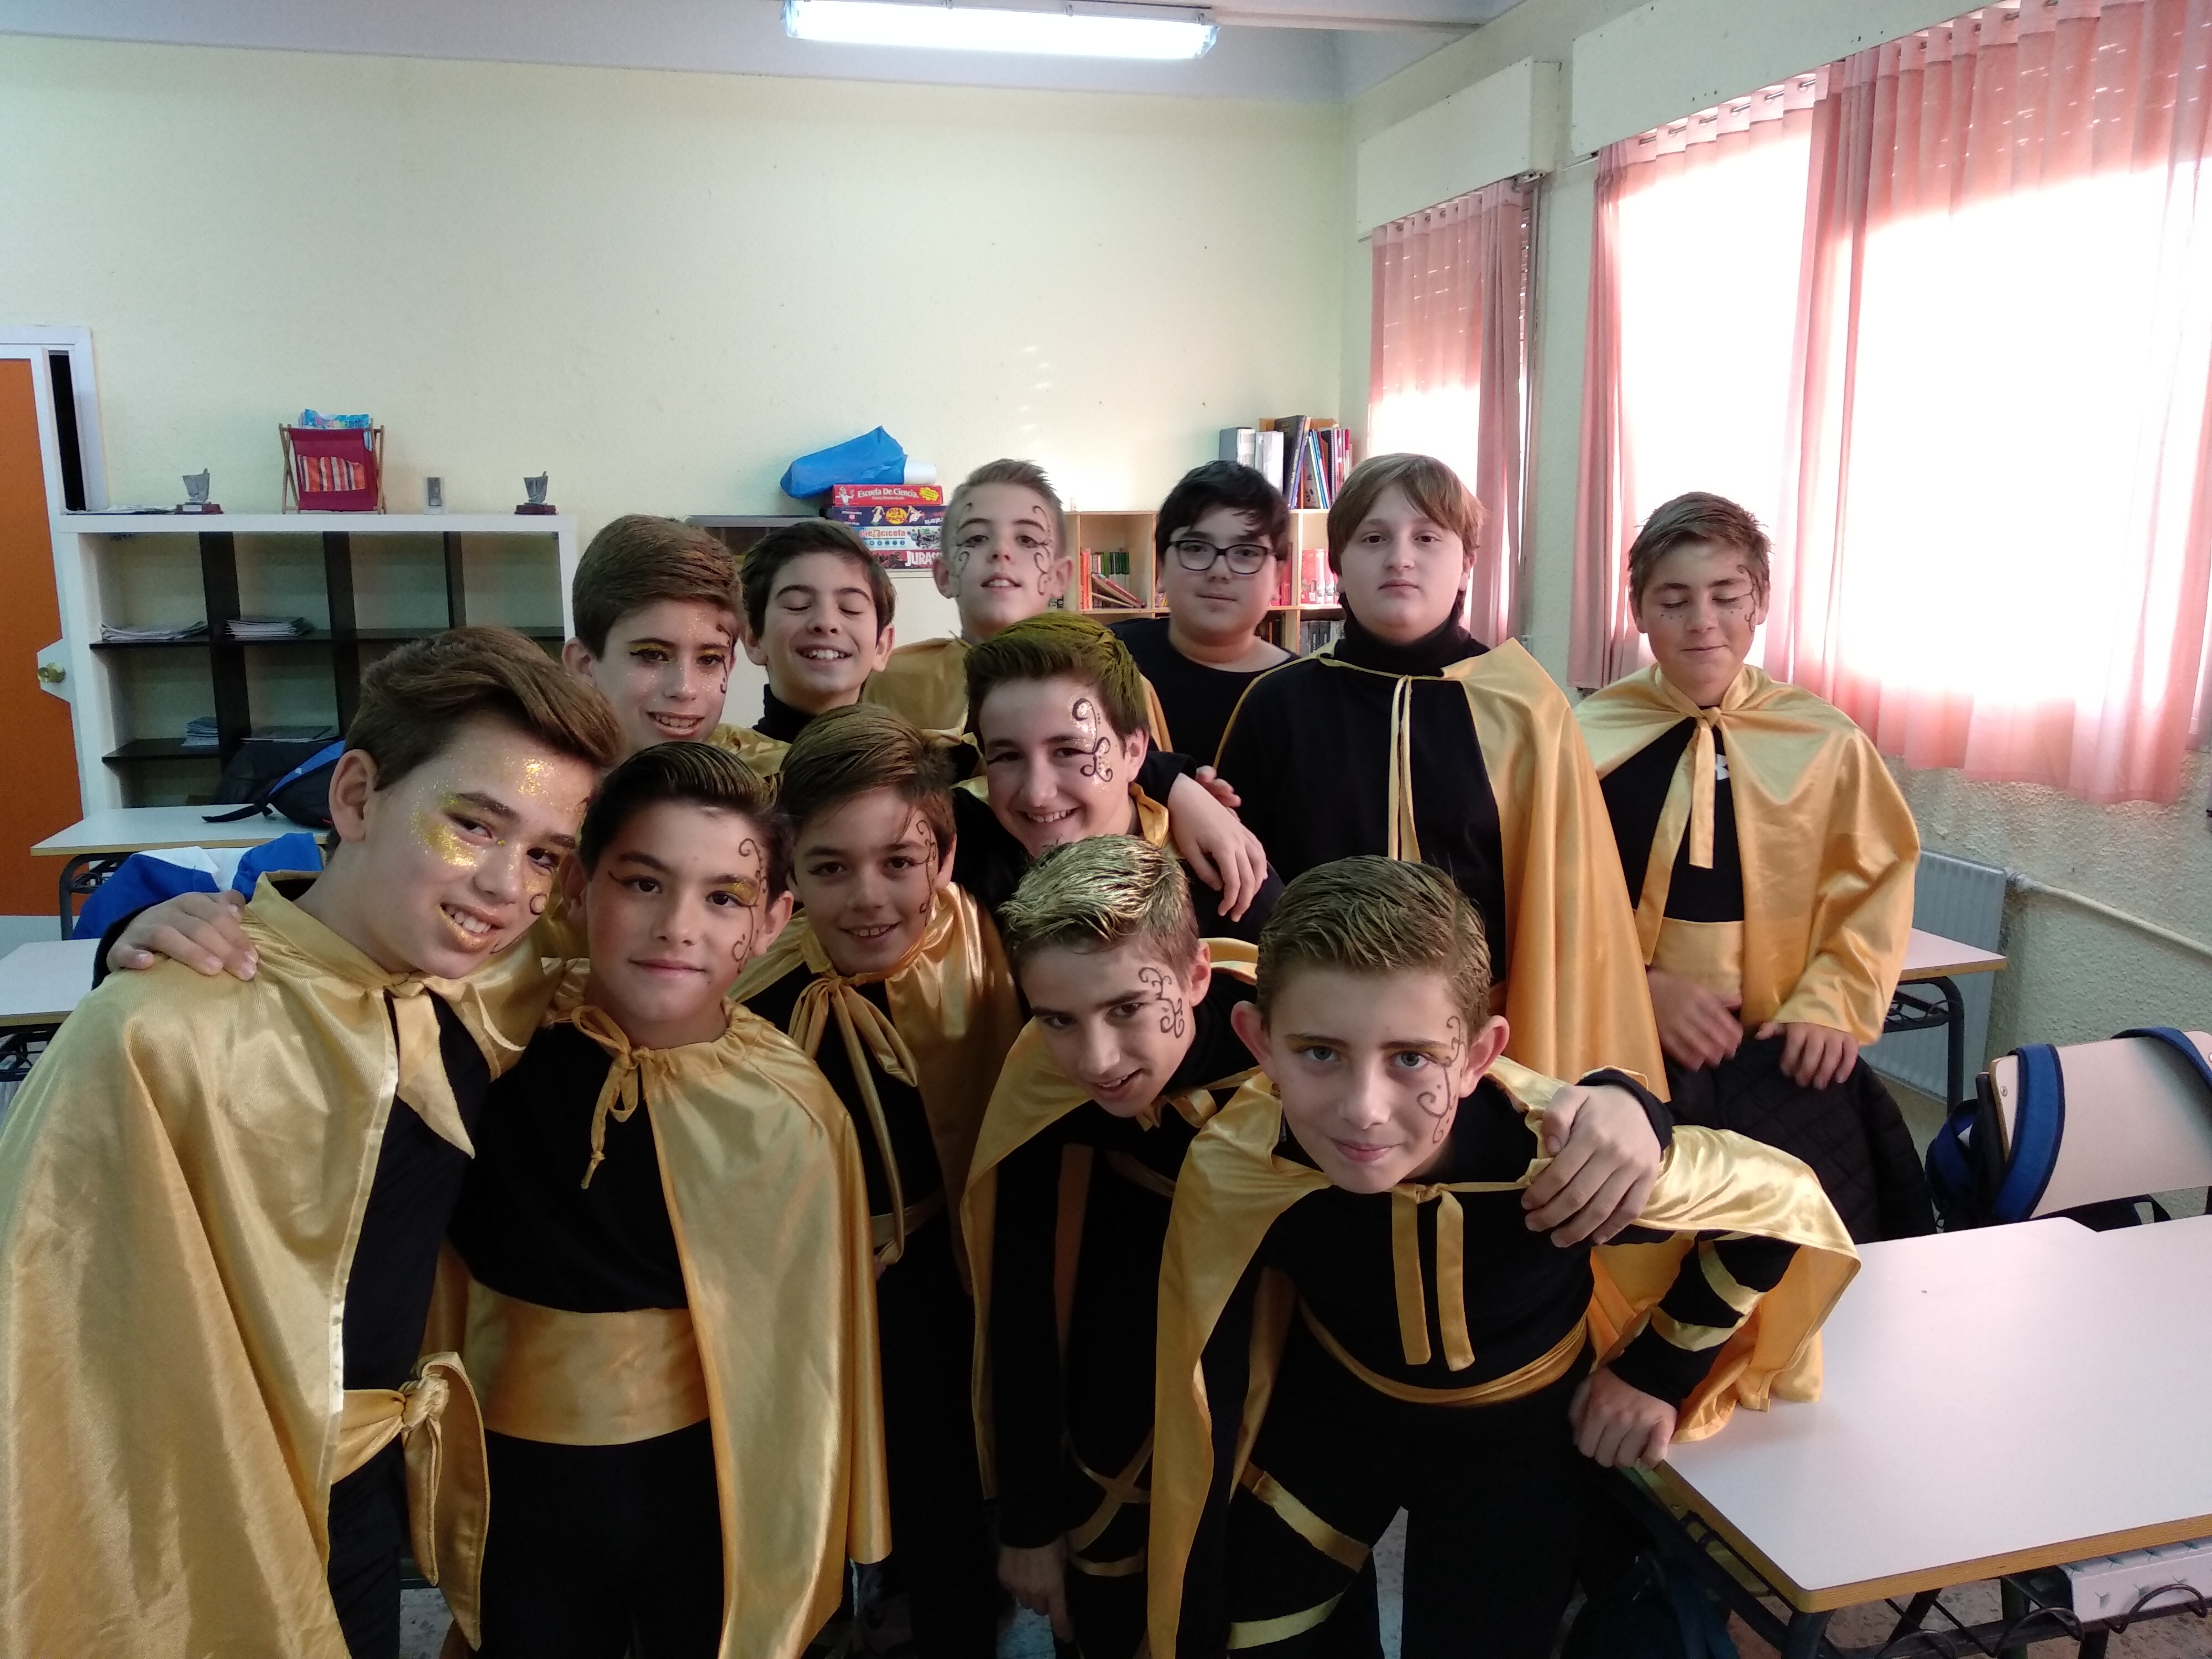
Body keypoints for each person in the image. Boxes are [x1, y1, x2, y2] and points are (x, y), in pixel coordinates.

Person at [0, 628, 624, 1659]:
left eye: (545, 855)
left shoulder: (484, 991)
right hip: (205, 1509)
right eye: (473, 824)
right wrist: (126, 946)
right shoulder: (163, 1032)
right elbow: (48, 1347)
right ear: (357, 797)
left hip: (366, 1497)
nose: (507, 887)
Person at [964, 836, 1671, 1659]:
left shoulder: (1315, 1057)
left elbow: (1485, 1081)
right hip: (1160, 1390)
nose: (1096, 1057)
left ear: (1201, 982)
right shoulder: (1073, 1085)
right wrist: (1031, 1518)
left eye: (1127, 1009)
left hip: (1355, 1413)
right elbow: (1021, 1295)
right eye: (1058, 1020)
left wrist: (1631, 1105)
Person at [1147, 858, 1860, 1659]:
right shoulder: (1244, 1161)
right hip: (1334, 1422)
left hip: (1520, 1449)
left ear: (1479, 1054)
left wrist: (1656, 1372)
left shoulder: (1556, 1156)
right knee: (1253, 1633)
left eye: (1411, 1058)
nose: (1363, 1109)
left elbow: (1777, 1207)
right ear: (1260, 1042)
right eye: (1319, 1053)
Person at [442, 742, 886, 1659]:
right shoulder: (482, 1043)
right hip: (517, 1482)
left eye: (724, 898)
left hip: (709, 1488)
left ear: (773, 922)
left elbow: (810, 1355)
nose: (678, 927)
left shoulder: (789, 1109)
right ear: (577, 888)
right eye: (644, 883)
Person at [1214, 452, 1662, 1084]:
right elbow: (1237, 890)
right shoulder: (1275, 706)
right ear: (1337, 564)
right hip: (1314, 1041)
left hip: (1482, 1047)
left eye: (1426, 538)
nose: (1400, 558)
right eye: (1373, 538)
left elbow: (1568, 911)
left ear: (1466, 564)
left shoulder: (1525, 706)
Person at [735, 705, 1026, 1659]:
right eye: (829, 869)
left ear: (945, 857)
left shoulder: (990, 949)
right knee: (803, 1495)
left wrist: (1184, 783)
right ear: (787, 870)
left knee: (942, 1490)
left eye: (900, 862)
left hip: (940, 1279)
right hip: (797, 1299)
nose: (869, 899)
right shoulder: (752, 993)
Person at [1575, 492, 1930, 1241]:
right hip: (1625, 1039)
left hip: (1779, 1045)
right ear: (1638, 611)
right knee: (1642, 1238)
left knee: (1802, 1231)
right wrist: (1639, 989)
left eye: (1726, 596)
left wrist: (1831, 1000)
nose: (1701, 621)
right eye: (1674, 600)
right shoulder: (1583, 740)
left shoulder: (1824, 743)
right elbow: (1551, 893)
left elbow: (1874, 881)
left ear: (1759, 602)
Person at [962, 613, 1281, 938]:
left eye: (1068, 752)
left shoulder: (1227, 882)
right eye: (1008, 757)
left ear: (1134, 752)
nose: (1037, 794)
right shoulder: (960, 843)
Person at [862, 458, 1074, 733]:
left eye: (1027, 540)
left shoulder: (1097, 683)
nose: (1001, 551)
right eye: (976, 538)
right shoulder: (893, 682)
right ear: (945, 576)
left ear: (1059, 577)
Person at [1111, 461, 1292, 765]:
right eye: (1196, 548)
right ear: (1161, 567)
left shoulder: (1303, 693)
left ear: (1278, 577)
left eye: (1246, 553)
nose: (1219, 571)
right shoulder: (1106, 660)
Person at [722, 518, 897, 775]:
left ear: (881, 646)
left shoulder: (917, 771)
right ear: (753, 638)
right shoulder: (718, 777)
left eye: (851, 608)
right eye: (798, 605)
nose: (826, 623)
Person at [563, 514, 742, 756]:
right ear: (584, 665)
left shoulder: (769, 773)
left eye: (709, 659)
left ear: (730, 665)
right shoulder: (529, 776)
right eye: (652, 655)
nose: (685, 689)